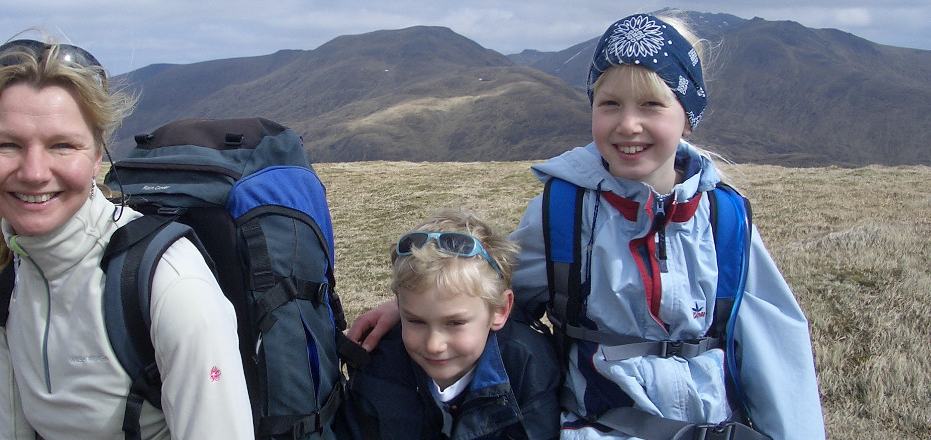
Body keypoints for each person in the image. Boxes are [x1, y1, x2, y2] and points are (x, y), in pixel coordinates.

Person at [349, 13, 826, 440]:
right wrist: (412, 306)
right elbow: (492, 288)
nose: (628, 125)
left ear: (688, 115)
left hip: (713, 426)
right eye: (610, 103)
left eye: (652, 106)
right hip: (595, 426)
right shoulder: (563, 210)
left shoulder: (725, 220)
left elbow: (776, 347)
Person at [0, 35, 254, 439]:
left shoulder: (171, 286)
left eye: (62, 145)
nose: (33, 172)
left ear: (97, 155)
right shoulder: (3, 288)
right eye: (7, 144)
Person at [338, 209, 560, 439]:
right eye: (415, 321)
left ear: (500, 310)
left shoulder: (528, 365)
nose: (434, 345)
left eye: (454, 323)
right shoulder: (379, 366)